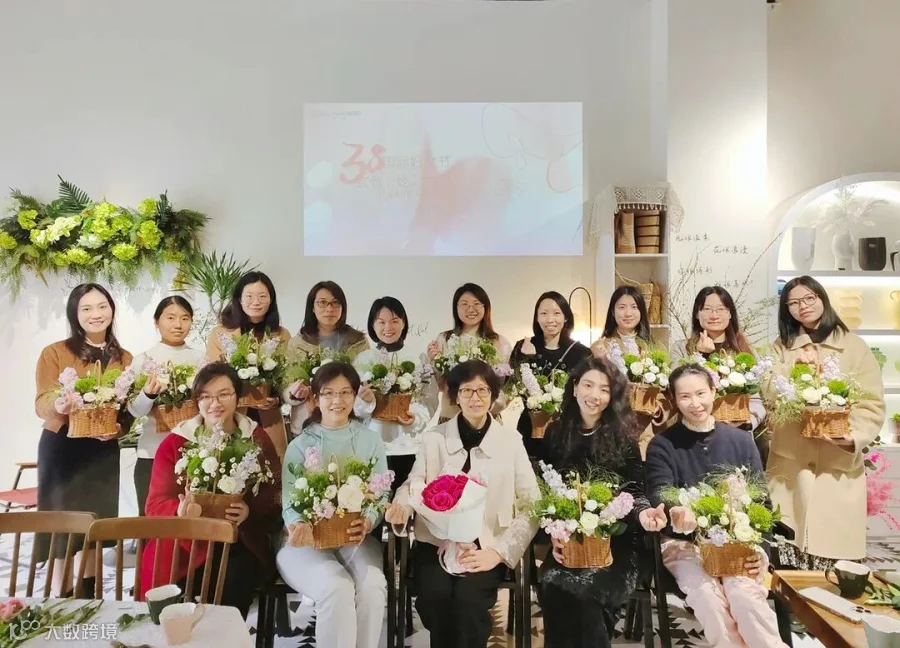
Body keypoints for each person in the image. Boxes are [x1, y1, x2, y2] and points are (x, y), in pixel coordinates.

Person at [386, 360, 539, 648]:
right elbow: (413, 483)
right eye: (467, 390)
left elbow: (532, 504)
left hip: (487, 544)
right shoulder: (434, 438)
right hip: (436, 542)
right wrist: (401, 508)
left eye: (483, 390)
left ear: (493, 395)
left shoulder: (510, 442)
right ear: (455, 396)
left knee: (468, 601)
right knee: (435, 597)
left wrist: (499, 553)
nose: (475, 398)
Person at [645, 365, 788, 648]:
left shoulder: (741, 441)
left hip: (738, 544)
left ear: (714, 392)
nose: (695, 403)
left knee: (745, 597)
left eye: (701, 393)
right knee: (708, 599)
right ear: (674, 400)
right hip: (684, 545)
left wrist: (762, 549)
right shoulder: (662, 445)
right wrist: (676, 510)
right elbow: (660, 491)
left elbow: (761, 501)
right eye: (685, 396)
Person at [539, 357, 665, 648]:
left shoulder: (623, 435)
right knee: (553, 585)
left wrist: (644, 514)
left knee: (586, 592)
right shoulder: (556, 432)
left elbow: (635, 491)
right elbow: (546, 492)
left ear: (613, 396)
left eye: (604, 389)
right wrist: (554, 532)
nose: (595, 395)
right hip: (570, 538)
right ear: (574, 388)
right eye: (588, 385)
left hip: (618, 541)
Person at [141, 362, 282, 618]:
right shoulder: (176, 441)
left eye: (224, 394)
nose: (214, 403)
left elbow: (275, 495)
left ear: (237, 397)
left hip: (239, 540)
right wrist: (180, 510)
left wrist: (249, 511)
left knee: (230, 587)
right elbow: (155, 504)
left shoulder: (256, 438)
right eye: (205, 397)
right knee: (171, 596)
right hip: (184, 541)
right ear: (197, 400)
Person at [766, 276, 885, 569]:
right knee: (786, 552)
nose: (802, 307)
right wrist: (792, 368)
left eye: (809, 298)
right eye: (793, 303)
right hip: (790, 464)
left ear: (822, 299)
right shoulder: (781, 347)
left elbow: (871, 402)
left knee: (833, 558)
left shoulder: (854, 347)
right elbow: (767, 389)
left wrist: (853, 436)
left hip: (836, 465)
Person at [276, 362, 388, 648]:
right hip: (306, 543)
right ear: (315, 398)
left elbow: (381, 493)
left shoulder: (370, 440)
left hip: (354, 538)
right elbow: (289, 501)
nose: (337, 400)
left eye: (345, 392)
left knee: (373, 585)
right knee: (335, 586)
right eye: (328, 393)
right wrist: (298, 524)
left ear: (355, 396)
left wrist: (368, 520)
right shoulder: (300, 445)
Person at [35, 283, 133, 596]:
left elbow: (128, 413)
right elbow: (41, 401)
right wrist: (59, 405)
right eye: (86, 308)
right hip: (63, 449)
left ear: (112, 310)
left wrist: (117, 429)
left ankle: (88, 595)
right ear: (74, 314)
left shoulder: (124, 358)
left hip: (102, 449)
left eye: (102, 306)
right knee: (62, 528)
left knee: (95, 524)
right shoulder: (54, 352)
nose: (96, 314)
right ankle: (60, 597)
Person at [127, 296, 206, 516]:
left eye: (185, 318)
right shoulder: (143, 360)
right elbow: (135, 411)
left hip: (193, 453)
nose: (178, 325)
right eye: (170, 318)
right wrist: (148, 394)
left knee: (192, 521)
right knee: (151, 522)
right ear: (156, 321)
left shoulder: (201, 359)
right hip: (151, 453)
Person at [206, 271, 291, 457]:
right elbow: (212, 379)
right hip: (232, 415)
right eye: (249, 296)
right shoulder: (220, 334)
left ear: (271, 300)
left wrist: (277, 399)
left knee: (271, 465)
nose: (256, 302)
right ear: (239, 298)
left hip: (269, 416)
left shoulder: (281, 335)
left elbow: (287, 377)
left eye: (262, 296)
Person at [353, 297, 435, 487]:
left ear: (404, 323)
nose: (388, 327)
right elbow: (354, 406)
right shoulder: (363, 359)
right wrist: (367, 402)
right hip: (373, 444)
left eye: (394, 321)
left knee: (407, 498)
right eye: (381, 322)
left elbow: (429, 399)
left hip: (408, 445)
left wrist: (415, 419)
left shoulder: (418, 357)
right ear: (372, 325)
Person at [671, 286, 766, 434]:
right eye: (707, 309)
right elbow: (677, 389)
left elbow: (756, 400)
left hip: (736, 435)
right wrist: (700, 354)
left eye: (721, 309)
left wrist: (747, 423)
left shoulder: (745, 351)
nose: (714, 315)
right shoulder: (681, 348)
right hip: (694, 433)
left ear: (730, 314)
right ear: (697, 314)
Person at [508, 291, 591, 458]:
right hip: (531, 430)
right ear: (537, 318)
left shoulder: (582, 353)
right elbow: (511, 386)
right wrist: (525, 358)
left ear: (566, 317)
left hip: (568, 431)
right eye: (544, 313)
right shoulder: (523, 347)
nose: (550, 319)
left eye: (556, 313)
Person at [285, 281, 369, 435]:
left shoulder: (357, 342)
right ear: (312, 307)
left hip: (349, 421)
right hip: (307, 421)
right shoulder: (298, 343)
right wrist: (295, 393)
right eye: (322, 303)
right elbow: (286, 384)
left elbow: (366, 380)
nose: (329, 309)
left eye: (335, 303)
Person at [592, 286, 666, 456]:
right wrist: (601, 361)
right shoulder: (600, 346)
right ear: (613, 312)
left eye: (634, 307)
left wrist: (657, 407)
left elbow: (665, 391)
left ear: (641, 312)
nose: (628, 313)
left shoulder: (656, 347)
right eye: (621, 307)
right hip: (614, 424)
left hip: (649, 426)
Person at [424, 283, 511, 424]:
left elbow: (507, 386)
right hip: (451, 417)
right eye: (464, 304)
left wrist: (490, 404)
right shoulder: (444, 339)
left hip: (487, 419)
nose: (470, 309)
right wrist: (433, 360)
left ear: (485, 307)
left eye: (476, 304)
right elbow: (436, 382)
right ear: (456, 308)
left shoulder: (499, 342)